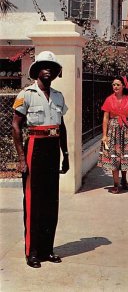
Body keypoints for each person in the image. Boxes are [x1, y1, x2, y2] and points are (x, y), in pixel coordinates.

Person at [12, 51, 69, 268]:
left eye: (52, 67)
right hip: (34, 148)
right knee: (33, 202)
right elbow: (16, 125)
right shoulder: (26, 94)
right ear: (37, 71)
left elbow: (61, 127)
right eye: (44, 66)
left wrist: (66, 154)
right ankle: (32, 252)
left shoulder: (58, 96)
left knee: (51, 201)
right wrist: (20, 158)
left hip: (53, 149)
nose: (48, 70)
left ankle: (47, 249)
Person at [97, 75, 128, 194]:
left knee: (125, 157)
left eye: (117, 84)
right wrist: (104, 135)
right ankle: (116, 184)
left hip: (126, 130)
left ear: (123, 86)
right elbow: (105, 118)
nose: (115, 86)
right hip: (113, 131)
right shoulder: (109, 99)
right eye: (113, 84)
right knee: (114, 157)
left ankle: (124, 180)